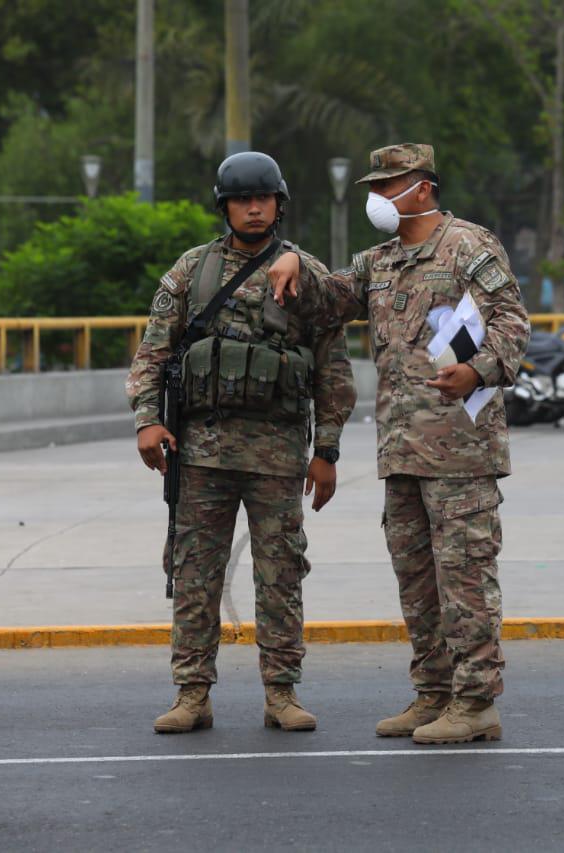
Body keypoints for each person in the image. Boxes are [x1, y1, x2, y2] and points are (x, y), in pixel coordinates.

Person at [269, 143, 530, 744]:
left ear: (425, 187)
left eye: (393, 183)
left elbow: (512, 319)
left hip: (462, 451)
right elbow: (332, 296)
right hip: (402, 449)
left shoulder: (469, 246)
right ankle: (433, 693)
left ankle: (476, 702)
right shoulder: (380, 261)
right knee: (416, 579)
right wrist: (292, 263)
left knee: (465, 579)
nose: (380, 196)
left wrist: (481, 369)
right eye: (376, 184)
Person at [127, 151, 356, 734]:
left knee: (280, 574)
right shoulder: (192, 270)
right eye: (241, 199)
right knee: (194, 573)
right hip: (200, 452)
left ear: (279, 203)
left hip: (278, 455)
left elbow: (332, 369)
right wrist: (147, 420)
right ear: (224, 205)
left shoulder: (307, 273)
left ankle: (281, 692)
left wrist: (326, 451)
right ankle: (191, 693)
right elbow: (153, 352)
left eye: (264, 198)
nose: (253, 208)